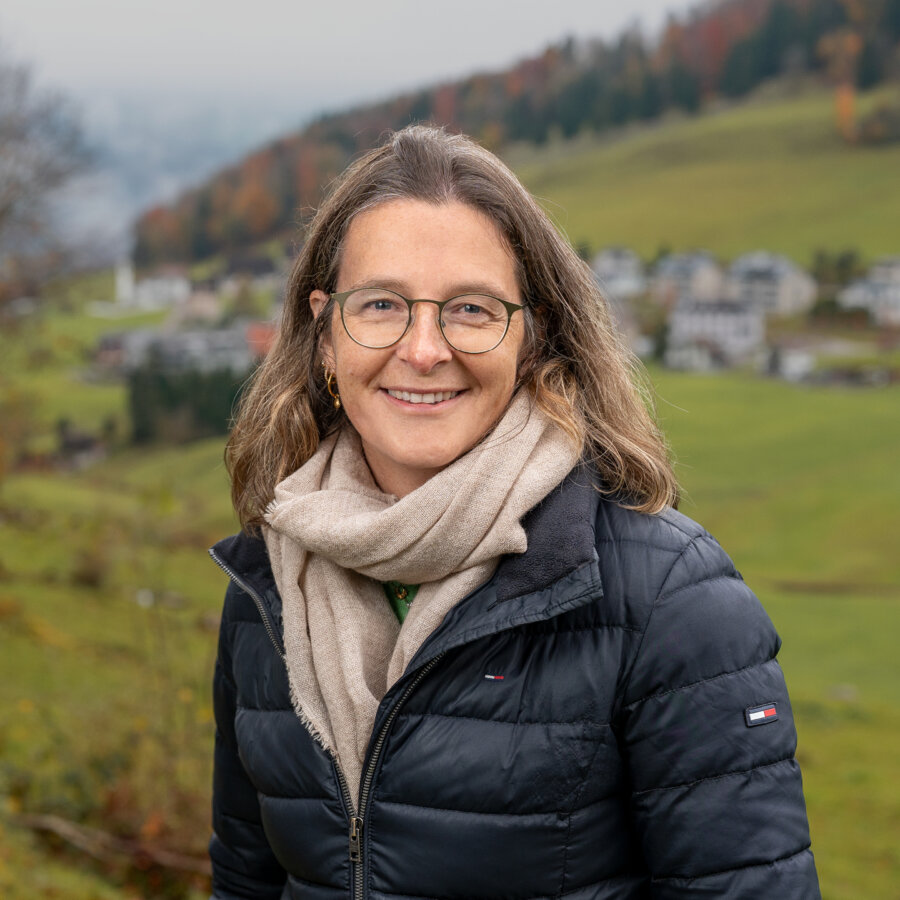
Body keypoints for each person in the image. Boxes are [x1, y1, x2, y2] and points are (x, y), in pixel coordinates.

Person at [209, 125, 820, 899]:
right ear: (326, 334)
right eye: (382, 304)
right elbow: (244, 882)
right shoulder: (268, 586)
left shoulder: (670, 600)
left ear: (532, 335)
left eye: (470, 308)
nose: (424, 348)